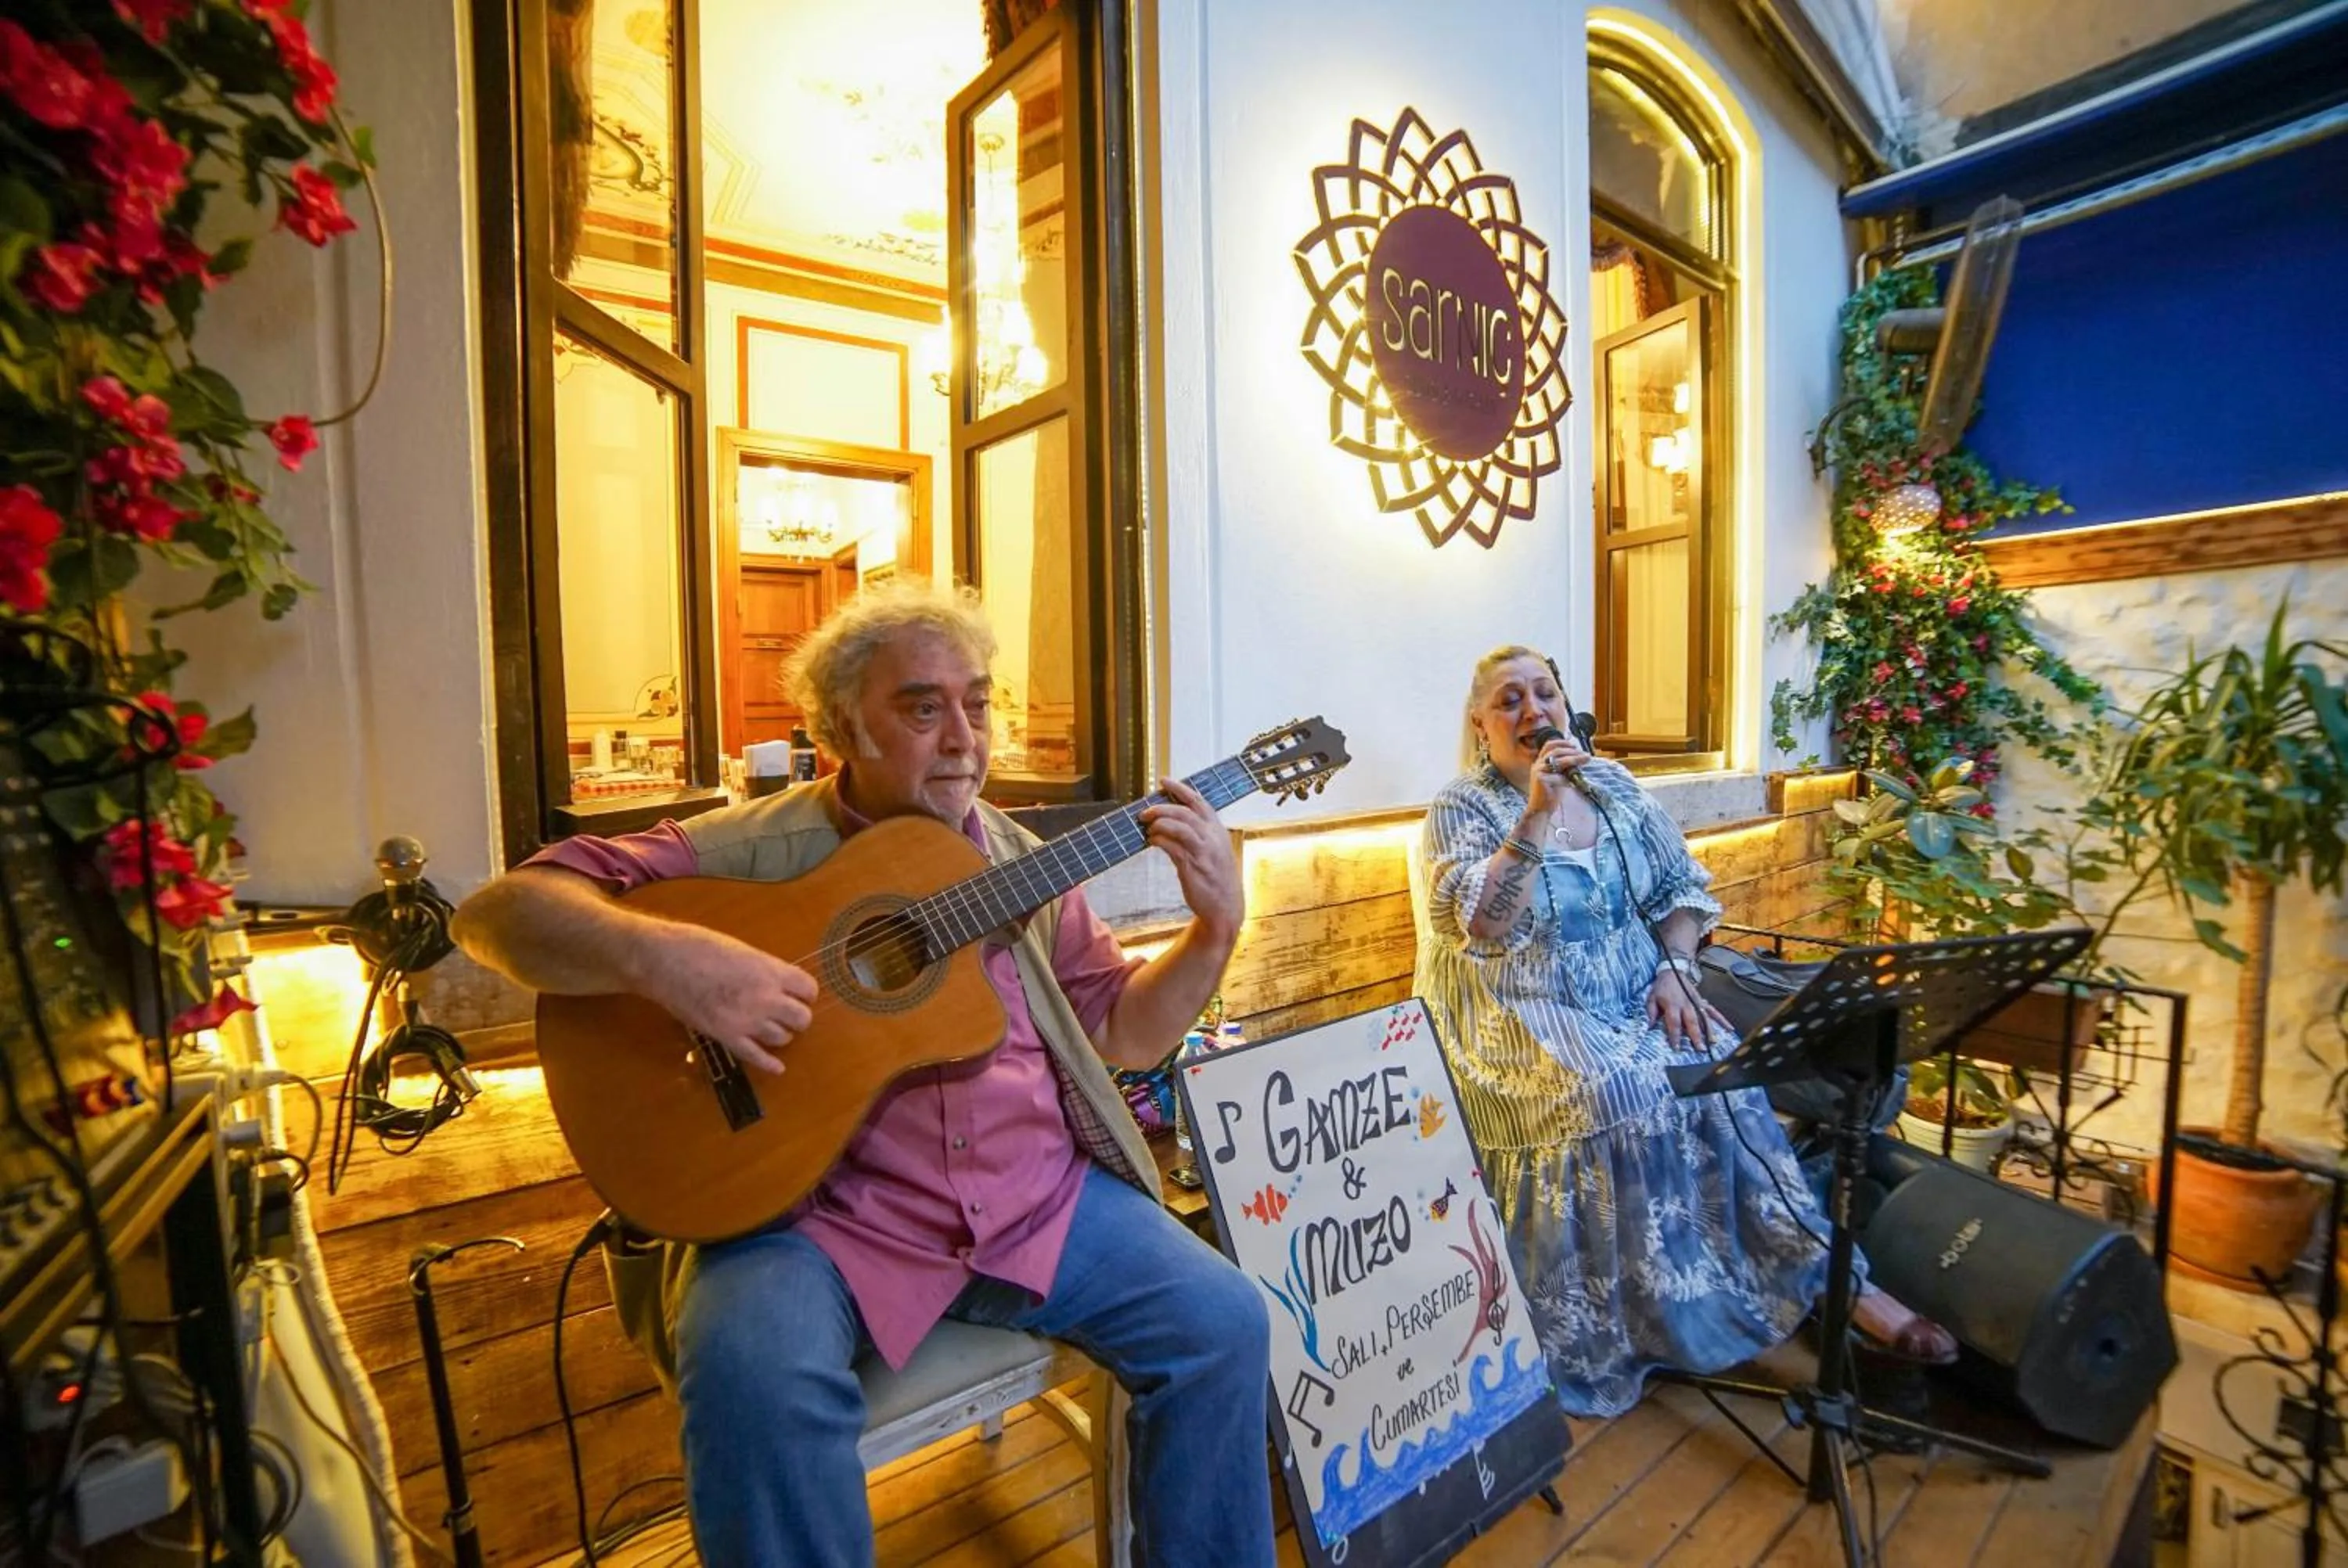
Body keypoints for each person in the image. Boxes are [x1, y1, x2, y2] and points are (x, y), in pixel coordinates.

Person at [452, 581, 1273, 1565]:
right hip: (822, 1223)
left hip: (1032, 1200)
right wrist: (673, 964)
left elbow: (1128, 1035)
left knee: (1224, 1323)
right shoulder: (749, 850)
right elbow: (498, 915)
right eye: (924, 708)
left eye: (979, 701)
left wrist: (1213, 930)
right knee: (747, 1363)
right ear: (844, 726)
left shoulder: (1019, 861)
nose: (966, 737)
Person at [1411, 645, 1954, 1418]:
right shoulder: (1462, 809)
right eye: (1509, 700)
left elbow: (1681, 891)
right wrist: (1534, 810)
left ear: (1567, 707)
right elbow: (1484, 926)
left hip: (1634, 990)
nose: (1532, 711)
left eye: (1544, 694)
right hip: (1516, 1016)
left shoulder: (1614, 787)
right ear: (1481, 724)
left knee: (1712, 1050)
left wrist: (1676, 969)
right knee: (1619, 1087)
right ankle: (1650, 1318)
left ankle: (1824, 1275)